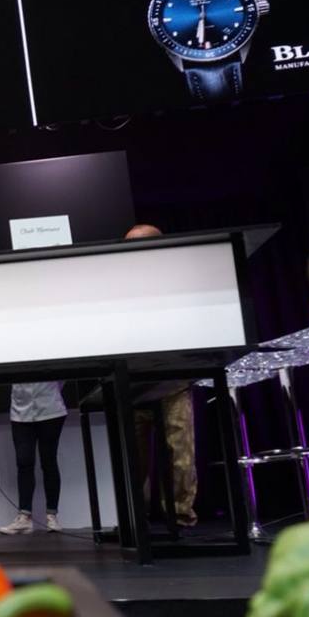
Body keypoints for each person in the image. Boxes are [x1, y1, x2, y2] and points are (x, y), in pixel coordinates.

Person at [125, 223, 199, 528]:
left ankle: (180, 516)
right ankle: (136, 518)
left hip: (173, 380)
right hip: (134, 382)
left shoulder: (176, 282)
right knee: (133, 458)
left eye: (137, 244)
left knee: (180, 454)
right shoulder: (121, 285)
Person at [0, 382, 68, 535]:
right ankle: (24, 517)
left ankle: (52, 516)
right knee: (24, 462)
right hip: (20, 412)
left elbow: (61, 378)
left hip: (50, 408)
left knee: (49, 461)